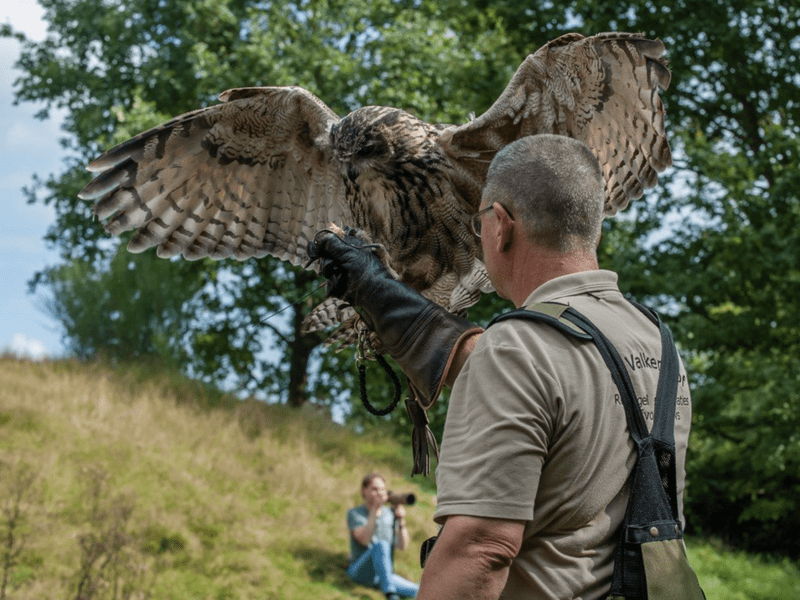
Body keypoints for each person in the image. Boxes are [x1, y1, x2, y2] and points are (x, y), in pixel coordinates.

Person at [312, 134, 693, 600]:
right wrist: (383, 297)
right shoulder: (654, 341)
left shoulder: (518, 351)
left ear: (499, 225)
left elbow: (481, 549)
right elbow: (558, 396)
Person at [346, 473, 419, 599]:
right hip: (359, 572)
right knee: (382, 544)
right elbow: (364, 541)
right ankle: (390, 594)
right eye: (374, 489)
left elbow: (402, 546)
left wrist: (401, 520)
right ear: (364, 491)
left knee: (419, 590)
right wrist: (375, 510)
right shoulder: (355, 513)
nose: (379, 493)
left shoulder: (389, 514)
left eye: (382, 489)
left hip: (383, 575)